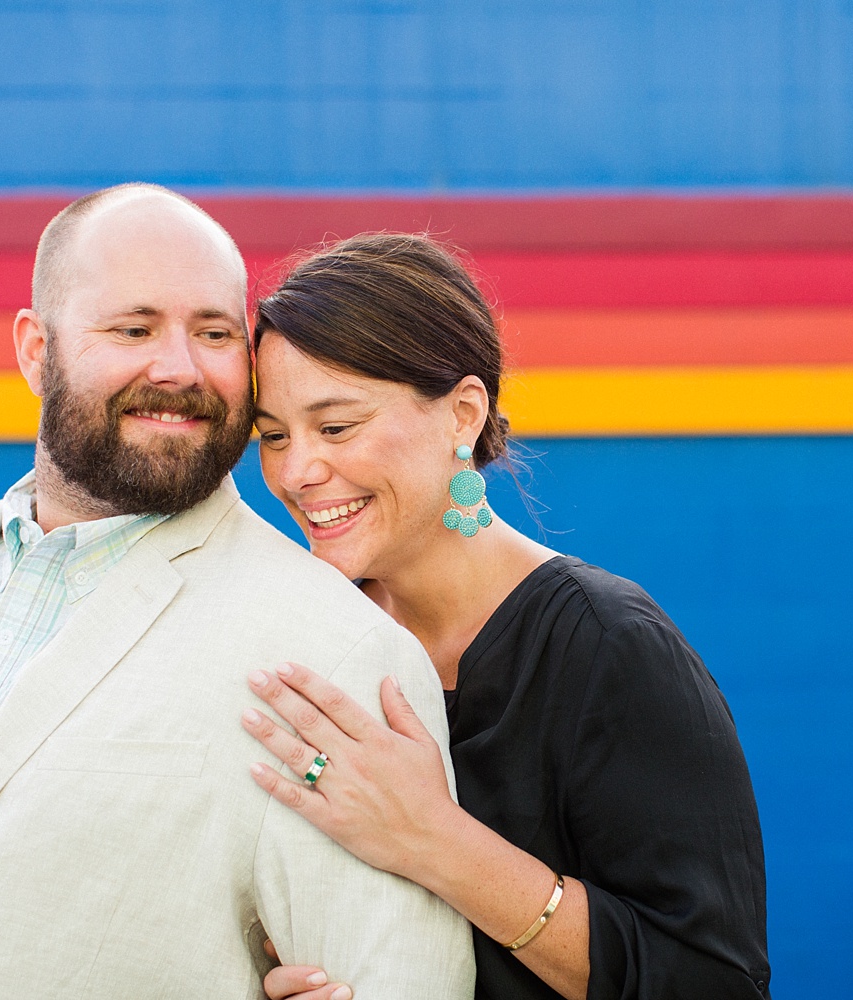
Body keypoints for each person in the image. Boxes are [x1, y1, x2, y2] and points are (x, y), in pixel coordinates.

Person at [0, 187, 473, 1000]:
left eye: (214, 333)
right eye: (133, 330)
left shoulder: (339, 650)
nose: (178, 367)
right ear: (37, 350)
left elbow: (396, 982)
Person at [243, 233, 771, 1000]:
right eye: (272, 437)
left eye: (337, 426)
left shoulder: (609, 646)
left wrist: (436, 840)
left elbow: (713, 982)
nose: (296, 472)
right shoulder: (308, 643)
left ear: (462, 414)